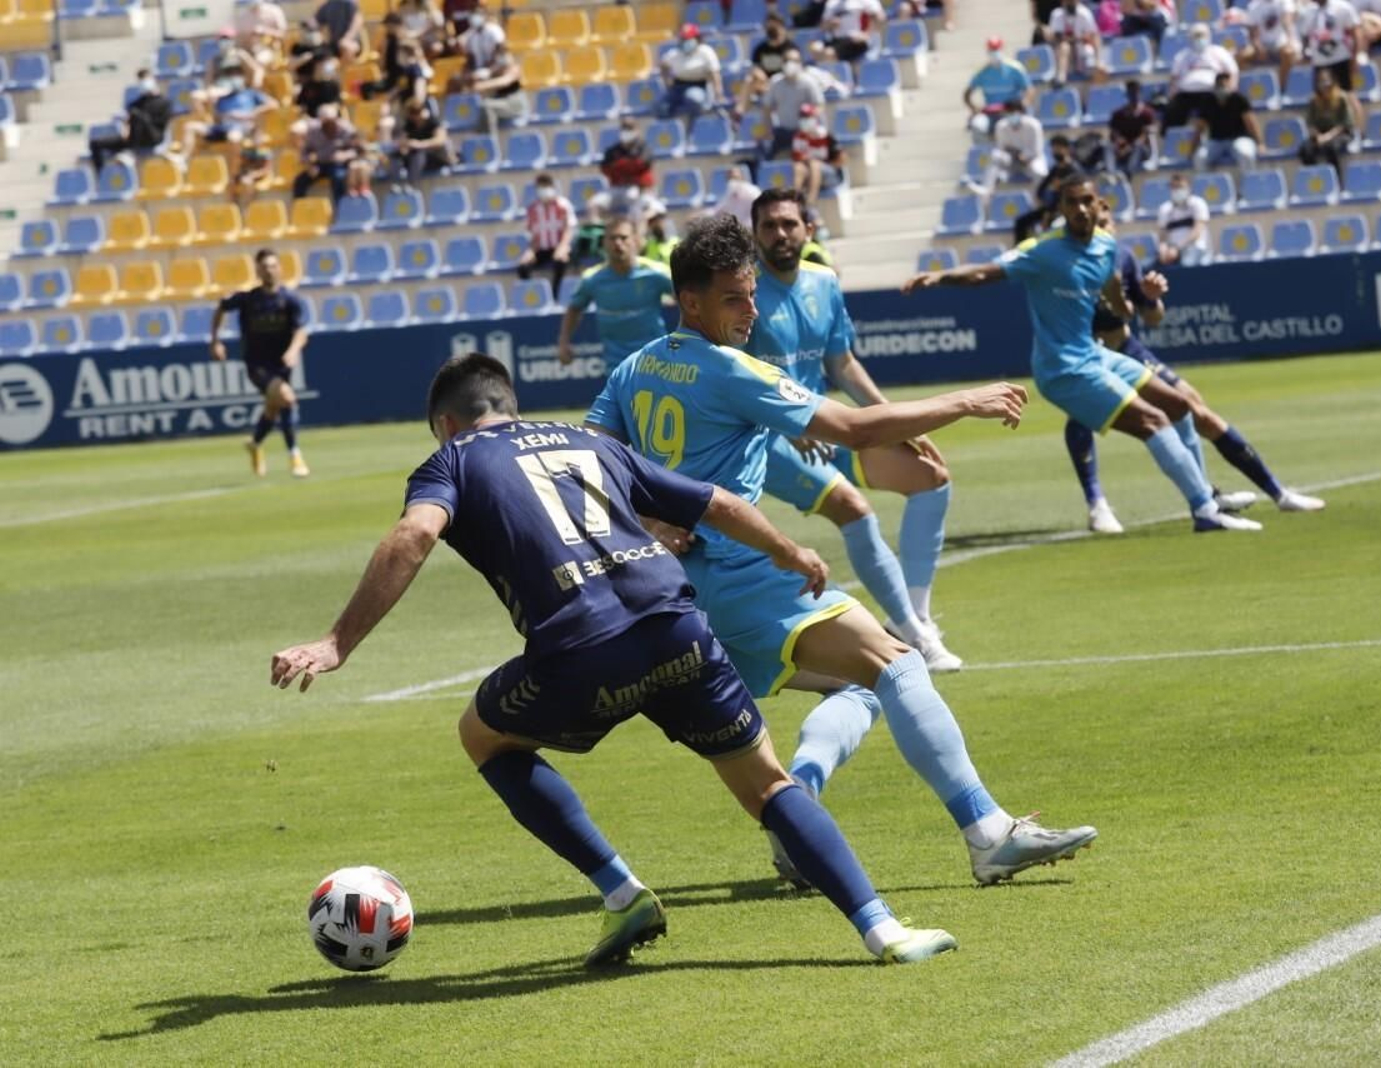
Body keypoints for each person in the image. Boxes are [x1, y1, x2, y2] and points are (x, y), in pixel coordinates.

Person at [269, 353, 961, 966]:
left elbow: (414, 534)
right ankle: (884, 930)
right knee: (769, 787)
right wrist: (790, 550)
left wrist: (336, 642)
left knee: (484, 736)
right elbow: (714, 502)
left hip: (583, 648)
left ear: (446, 425)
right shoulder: (588, 440)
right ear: (511, 404)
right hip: (679, 628)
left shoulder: (450, 462)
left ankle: (622, 892)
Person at [585, 213, 1098, 886]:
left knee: (860, 687)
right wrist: (963, 401)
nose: (751, 310)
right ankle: (990, 834)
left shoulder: (634, 367)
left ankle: (798, 819)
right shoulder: (732, 369)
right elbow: (853, 429)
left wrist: (647, 520)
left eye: (752, 294)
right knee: (898, 664)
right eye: (733, 298)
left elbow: (589, 464)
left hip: (673, 593)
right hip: (740, 575)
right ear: (690, 301)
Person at [903, 172, 1261, 533]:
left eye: (1086, 201)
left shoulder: (1106, 247)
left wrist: (1139, 301)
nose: (1080, 209)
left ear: (1099, 204)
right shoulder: (1042, 250)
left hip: (1094, 354)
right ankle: (1204, 510)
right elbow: (983, 273)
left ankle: (1205, 496)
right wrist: (940, 276)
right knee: (1153, 420)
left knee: (1179, 405)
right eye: (1071, 202)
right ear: (1061, 208)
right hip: (1062, 368)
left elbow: (1117, 299)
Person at [745, 188, 960, 671]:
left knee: (930, 477)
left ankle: (916, 617)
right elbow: (732, 371)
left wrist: (896, 418)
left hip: (825, 423)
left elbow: (841, 363)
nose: (780, 234)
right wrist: (785, 415)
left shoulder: (824, 282)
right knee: (855, 510)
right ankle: (915, 639)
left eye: (788, 224)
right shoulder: (745, 291)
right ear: (754, 235)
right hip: (768, 435)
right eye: (769, 226)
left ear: (808, 229)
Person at [1068, 200, 1324, 533]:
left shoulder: (1123, 257)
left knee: (1193, 407)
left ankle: (1276, 493)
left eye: (1107, 222)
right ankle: (1097, 505)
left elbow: (1151, 317)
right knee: (1080, 418)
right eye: (1098, 223)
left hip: (1128, 350)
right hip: (1088, 354)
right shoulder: (1069, 263)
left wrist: (1151, 297)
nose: (1103, 228)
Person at [210, 249, 311, 479]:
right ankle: (295, 456)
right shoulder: (248, 299)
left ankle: (255, 444)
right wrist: (215, 341)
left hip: (282, 364)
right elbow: (221, 306)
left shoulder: (290, 300)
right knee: (287, 398)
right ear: (257, 270)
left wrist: (294, 350)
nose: (269, 270)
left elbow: (301, 331)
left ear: (280, 269)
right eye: (264, 267)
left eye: (273, 266)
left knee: (273, 408)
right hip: (257, 365)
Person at [557, 216, 676, 372]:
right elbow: (574, 308)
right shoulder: (592, 278)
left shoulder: (655, 272)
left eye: (623, 237)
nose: (618, 243)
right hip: (617, 367)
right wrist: (564, 342)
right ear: (604, 243)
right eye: (612, 238)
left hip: (656, 362)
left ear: (635, 241)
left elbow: (687, 299)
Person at [89, 69, 173, 172]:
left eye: (146, 79)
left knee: (137, 116)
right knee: (95, 143)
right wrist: (126, 127)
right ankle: (102, 174)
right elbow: (126, 118)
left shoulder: (165, 102)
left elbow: (161, 124)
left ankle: (130, 153)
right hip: (132, 138)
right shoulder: (137, 103)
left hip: (153, 137)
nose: (144, 82)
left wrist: (139, 119)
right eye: (141, 80)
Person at [1164, 24, 1239, 133]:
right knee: (1173, 109)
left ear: (1208, 36)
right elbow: (1174, 77)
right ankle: (1171, 136)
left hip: (1212, 92)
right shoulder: (1182, 56)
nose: (1199, 39)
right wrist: (1172, 94)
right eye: (1196, 36)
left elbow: (1232, 71)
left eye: (1202, 35)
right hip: (1187, 94)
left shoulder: (1219, 52)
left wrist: (1231, 89)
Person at [965, 98, 1048, 197]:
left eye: (1014, 112)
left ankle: (1041, 197)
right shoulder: (1001, 126)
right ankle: (987, 189)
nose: (1011, 115)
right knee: (996, 157)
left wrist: (1025, 157)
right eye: (1009, 112)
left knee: (1040, 173)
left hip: (1032, 160)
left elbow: (1037, 150)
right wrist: (1014, 155)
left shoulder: (1034, 125)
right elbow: (1001, 148)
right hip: (1011, 160)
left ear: (1021, 112)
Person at [590, 117, 665, 218]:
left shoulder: (644, 148)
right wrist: (628, 165)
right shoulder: (613, 150)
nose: (627, 131)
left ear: (637, 130)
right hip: (616, 189)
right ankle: (597, 228)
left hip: (638, 189)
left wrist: (620, 166)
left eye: (630, 128)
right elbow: (605, 168)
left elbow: (642, 165)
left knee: (639, 205)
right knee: (594, 204)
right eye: (624, 128)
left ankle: (637, 228)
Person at [1013, 135, 1080, 242]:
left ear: (1067, 149)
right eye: (1054, 148)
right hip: (1050, 209)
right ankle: (1021, 250)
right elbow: (1041, 190)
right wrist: (1047, 201)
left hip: (1067, 210)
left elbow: (1073, 193)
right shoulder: (1055, 169)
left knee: (1054, 225)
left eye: (1059, 148)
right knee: (1021, 222)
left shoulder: (1074, 170)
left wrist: (1060, 187)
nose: (1056, 151)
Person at [965, 37, 1034, 140]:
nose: (994, 53)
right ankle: (984, 149)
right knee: (977, 125)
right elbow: (967, 93)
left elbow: (1030, 90)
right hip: (990, 113)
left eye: (996, 49)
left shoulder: (1015, 68)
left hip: (1011, 111)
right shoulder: (982, 72)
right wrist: (974, 108)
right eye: (992, 50)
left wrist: (1023, 105)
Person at [763, 47, 826, 159]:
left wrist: (810, 117)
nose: (790, 64)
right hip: (783, 131)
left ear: (800, 63)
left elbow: (820, 105)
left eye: (794, 61)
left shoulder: (809, 82)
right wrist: (768, 129)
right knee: (768, 158)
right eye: (787, 60)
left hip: (804, 131)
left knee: (807, 159)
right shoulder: (775, 82)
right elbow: (767, 107)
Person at [518, 172, 576, 292]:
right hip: (542, 249)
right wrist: (531, 251)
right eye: (541, 186)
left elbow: (568, 228)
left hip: (560, 247)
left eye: (546, 185)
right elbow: (534, 235)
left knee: (560, 261)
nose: (544, 190)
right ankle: (533, 292)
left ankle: (556, 293)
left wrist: (563, 247)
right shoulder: (533, 209)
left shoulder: (563, 205)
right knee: (523, 266)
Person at [1193, 70, 1261, 171]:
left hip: (1239, 139)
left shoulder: (1239, 99)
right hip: (1216, 141)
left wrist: (1260, 143)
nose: (1222, 87)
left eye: (1225, 84)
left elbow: (1251, 123)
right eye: (1220, 85)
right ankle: (1209, 180)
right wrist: (1193, 148)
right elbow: (1200, 127)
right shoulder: (1208, 102)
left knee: (1246, 155)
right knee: (1200, 158)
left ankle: (1249, 180)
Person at [733, 14, 797, 121]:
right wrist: (759, 74)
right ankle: (739, 112)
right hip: (765, 85)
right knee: (750, 79)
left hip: (784, 84)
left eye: (775, 26)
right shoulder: (760, 49)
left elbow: (794, 70)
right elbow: (755, 68)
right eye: (769, 27)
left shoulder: (791, 48)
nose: (773, 30)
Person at [1298, 67, 1357, 180]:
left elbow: (1343, 124)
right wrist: (1318, 136)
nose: (1324, 85)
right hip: (1321, 134)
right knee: (1306, 149)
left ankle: (1336, 179)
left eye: (1326, 81)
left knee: (1331, 148)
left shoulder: (1341, 98)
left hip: (1339, 134)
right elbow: (1311, 123)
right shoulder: (1314, 101)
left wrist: (1327, 137)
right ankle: (1312, 177)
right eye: (1320, 81)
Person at [293, 103, 360, 201]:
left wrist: (345, 155)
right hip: (320, 164)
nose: (328, 125)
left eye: (331, 121)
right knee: (300, 181)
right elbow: (305, 152)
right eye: (325, 122)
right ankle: (300, 206)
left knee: (339, 178)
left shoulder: (346, 129)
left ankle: (340, 207)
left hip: (338, 164)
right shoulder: (313, 131)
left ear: (336, 119)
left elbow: (357, 150)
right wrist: (309, 165)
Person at [659, 23, 724, 121]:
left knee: (693, 99)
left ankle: (695, 122)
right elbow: (663, 66)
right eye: (683, 39)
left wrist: (719, 94)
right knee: (660, 107)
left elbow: (715, 74)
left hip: (699, 86)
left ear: (697, 39)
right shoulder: (674, 53)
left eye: (688, 39)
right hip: (677, 88)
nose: (685, 41)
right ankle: (674, 127)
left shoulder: (706, 52)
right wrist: (668, 82)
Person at [1302, 0, 1366, 94]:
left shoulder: (1342, 8)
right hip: (1320, 62)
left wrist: (1355, 57)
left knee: (1347, 95)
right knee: (1322, 97)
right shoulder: (1308, 12)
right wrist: (1306, 53)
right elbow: (1305, 35)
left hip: (1341, 59)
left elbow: (1355, 33)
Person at [391, 97, 455, 187]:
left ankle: (412, 185)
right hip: (415, 159)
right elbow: (403, 141)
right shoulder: (409, 125)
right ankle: (396, 185)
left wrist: (419, 144)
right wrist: (405, 145)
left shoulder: (433, 122)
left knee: (419, 155)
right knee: (396, 156)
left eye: (416, 112)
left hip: (436, 157)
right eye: (412, 113)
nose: (415, 117)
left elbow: (440, 141)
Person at [1238, 0, 1300, 92]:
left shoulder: (1284, 2)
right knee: (1242, 56)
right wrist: (1259, 47)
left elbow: (1287, 22)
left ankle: (1281, 88)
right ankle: (1245, 89)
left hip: (1280, 44)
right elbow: (1253, 33)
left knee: (1288, 53)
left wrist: (1290, 40)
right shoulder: (1254, 6)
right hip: (1261, 45)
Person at [792, 103, 845, 205]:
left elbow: (841, 158)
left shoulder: (825, 135)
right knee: (798, 167)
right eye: (802, 117)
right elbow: (797, 157)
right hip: (808, 172)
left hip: (830, 174)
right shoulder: (798, 136)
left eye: (807, 117)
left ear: (814, 118)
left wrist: (822, 162)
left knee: (814, 164)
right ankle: (795, 199)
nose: (805, 120)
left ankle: (811, 199)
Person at [1155, 173, 1209, 266]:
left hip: (1195, 249)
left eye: (1180, 187)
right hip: (1172, 252)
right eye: (1174, 187)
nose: (1177, 190)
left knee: (1186, 264)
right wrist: (1163, 249)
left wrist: (1177, 248)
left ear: (1189, 188)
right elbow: (1162, 236)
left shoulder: (1198, 203)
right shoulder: (1164, 209)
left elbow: (1197, 232)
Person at [1108, 78, 1158, 174]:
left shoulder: (1147, 113)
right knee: (1107, 146)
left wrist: (1130, 148)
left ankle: (1128, 174)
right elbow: (1114, 133)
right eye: (1131, 92)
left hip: (1141, 151)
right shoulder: (1118, 114)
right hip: (1123, 150)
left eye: (1136, 92)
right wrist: (1120, 143)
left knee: (1138, 146)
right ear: (1126, 94)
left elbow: (1145, 135)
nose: (1134, 96)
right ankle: (1111, 173)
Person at [1046, 0, 1103, 84]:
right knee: (1064, 47)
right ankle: (1061, 77)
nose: (1070, 2)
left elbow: (1094, 35)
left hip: (1083, 55)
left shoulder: (1085, 13)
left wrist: (1098, 60)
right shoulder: (1057, 14)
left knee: (1091, 56)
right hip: (1065, 59)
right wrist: (1075, 39)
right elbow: (1054, 37)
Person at [813, 0, 884, 63]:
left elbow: (880, 19)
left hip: (857, 40)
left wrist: (867, 35)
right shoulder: (832, 3)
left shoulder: (867, 1)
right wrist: (830, 24)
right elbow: (823, 25)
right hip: (836, 40)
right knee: (815, 47)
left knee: (829, 53)